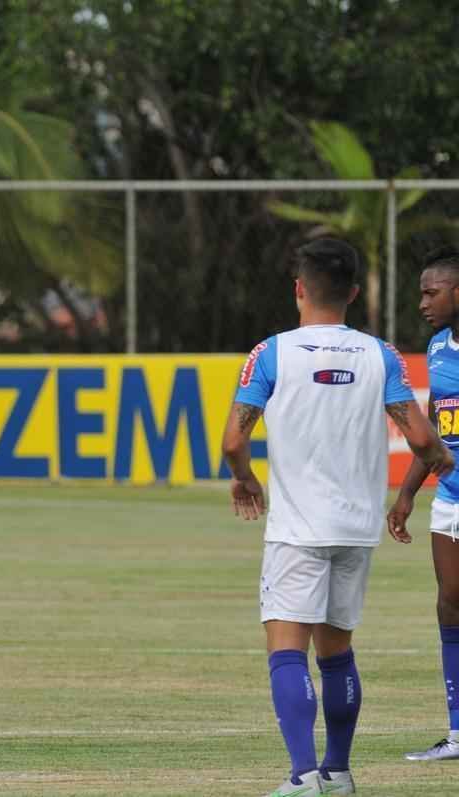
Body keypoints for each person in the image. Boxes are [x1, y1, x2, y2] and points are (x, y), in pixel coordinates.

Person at [221, 237, 453, 797]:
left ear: (299, 289)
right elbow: (423, 439)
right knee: (337, 653)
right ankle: (339, 772)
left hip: (298, 529)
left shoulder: (271, 353)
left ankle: (302, 776)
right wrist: (440, 461)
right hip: (356, 529)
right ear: (352, 293)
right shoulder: (381, 355)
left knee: (286, 651)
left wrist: (245, 477)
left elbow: (233, 440)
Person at [387, 245, 459, 761]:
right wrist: (408, 492)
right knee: (449, 602)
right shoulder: (437, 348)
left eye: (432, 293)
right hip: (451, 497)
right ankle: (457, 734)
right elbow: (433, 428)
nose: (423, 303)